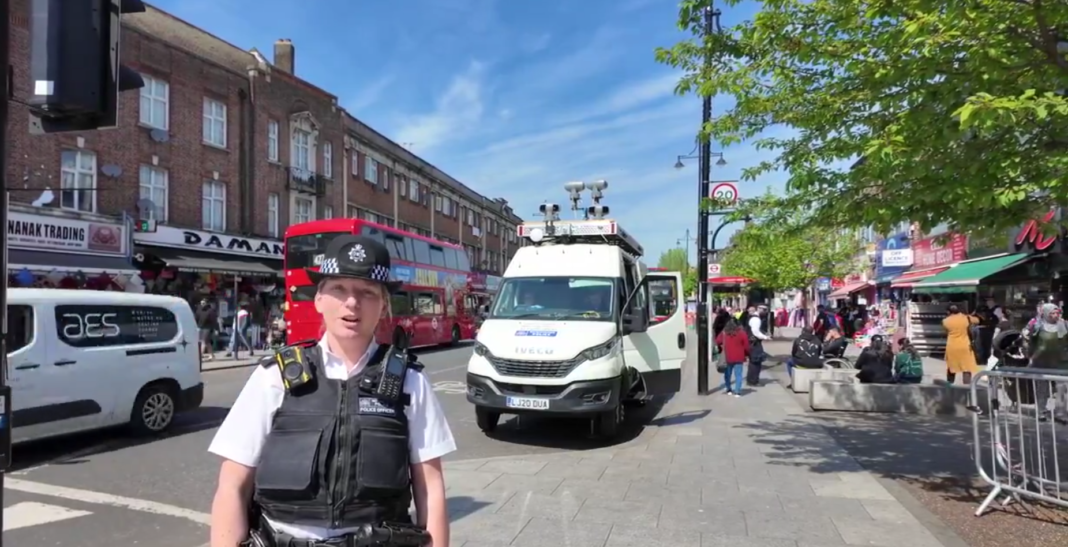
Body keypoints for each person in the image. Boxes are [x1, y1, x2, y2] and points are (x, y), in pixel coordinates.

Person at [208, 235, 454, 547]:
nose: (352, 303)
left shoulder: (409, 380)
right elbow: (232, 484)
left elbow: (430, 486)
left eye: (367, 292)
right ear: (319, 299)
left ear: (383, 305)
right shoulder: (274, 376)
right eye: (339, 289)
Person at [942, 304, 980, 384]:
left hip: (952, 346)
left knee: (951, 367)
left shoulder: (945, 321)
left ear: (949, 312)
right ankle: (966, 388)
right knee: (966, 368)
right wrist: (969, 315)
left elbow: (946, 332)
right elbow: (977, 320)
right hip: (965, 346)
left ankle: (949, 385)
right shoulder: (966, 318)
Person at [714, 318, 749, 396]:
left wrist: (722, 346)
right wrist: (747, 354)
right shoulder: (742, 333)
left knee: (727, 374)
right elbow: (746, 346)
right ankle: (737, 391)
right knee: (738, 375)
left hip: (727, 357)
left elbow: (717, 341)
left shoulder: (724, 333)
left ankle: (728, 389)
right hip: (739, 357)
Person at [745, 306, 770, 386]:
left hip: (752, 342)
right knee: (756, 362)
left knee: (753, 362)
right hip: (754, 343)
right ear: (760, 310)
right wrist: (765, 337)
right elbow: (755, 332)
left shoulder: (753, 318)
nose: (765, 313)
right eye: (765, 310)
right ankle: (753, 380)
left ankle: (751, 379)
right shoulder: (756, 319)